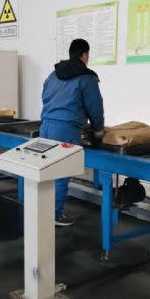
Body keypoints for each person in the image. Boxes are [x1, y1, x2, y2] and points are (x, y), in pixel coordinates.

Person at [40, 38, 105, 226]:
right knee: (62, 172)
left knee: (46, 171)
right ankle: (55, 214)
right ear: (84, 55)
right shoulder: (86, 77)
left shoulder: (53, 74)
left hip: (45, 126)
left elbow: (45, 96)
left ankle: (43, 211)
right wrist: (98, 132)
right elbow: (95, 107)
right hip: (66, 130)